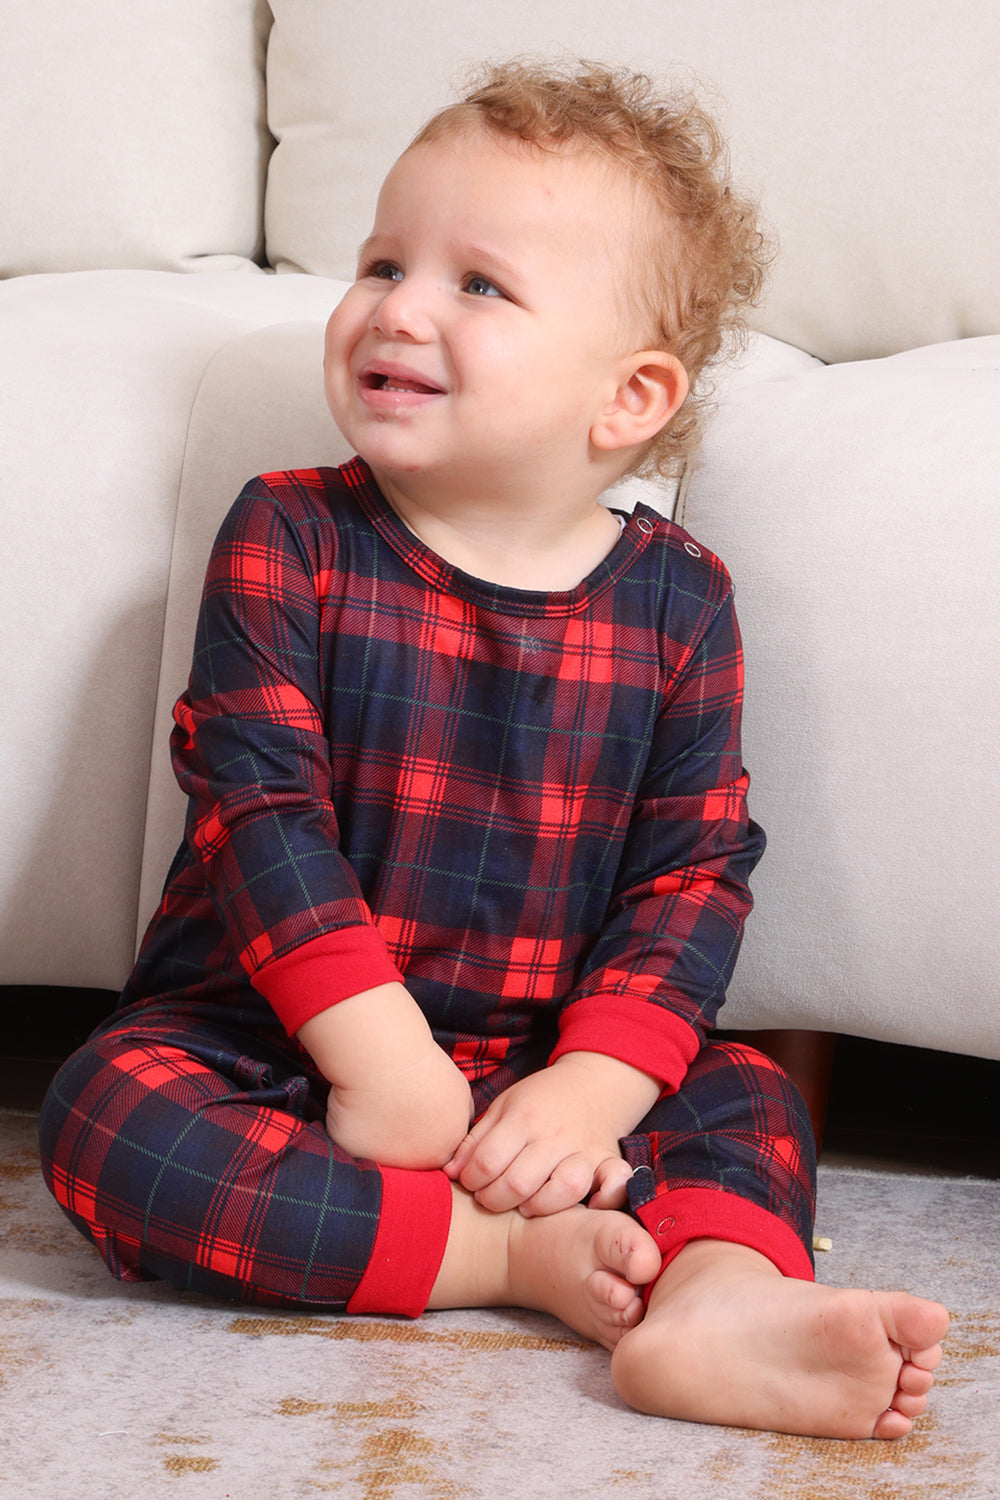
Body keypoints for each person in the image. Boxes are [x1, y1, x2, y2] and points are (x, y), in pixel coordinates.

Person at [38, 59, 948, 1439]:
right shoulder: (289, 534)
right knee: (111, 1119)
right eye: (382, 261)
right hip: (282, 1037)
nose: (396, 306)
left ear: (630, 397)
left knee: (745, 1096)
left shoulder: (679, 601)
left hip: (545, 1064)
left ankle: (707, 1301)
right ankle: (505, 1256)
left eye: (478, 284)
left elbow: (694, 870)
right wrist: (378, 1059)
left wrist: (594, 1082)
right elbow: (258, 813)